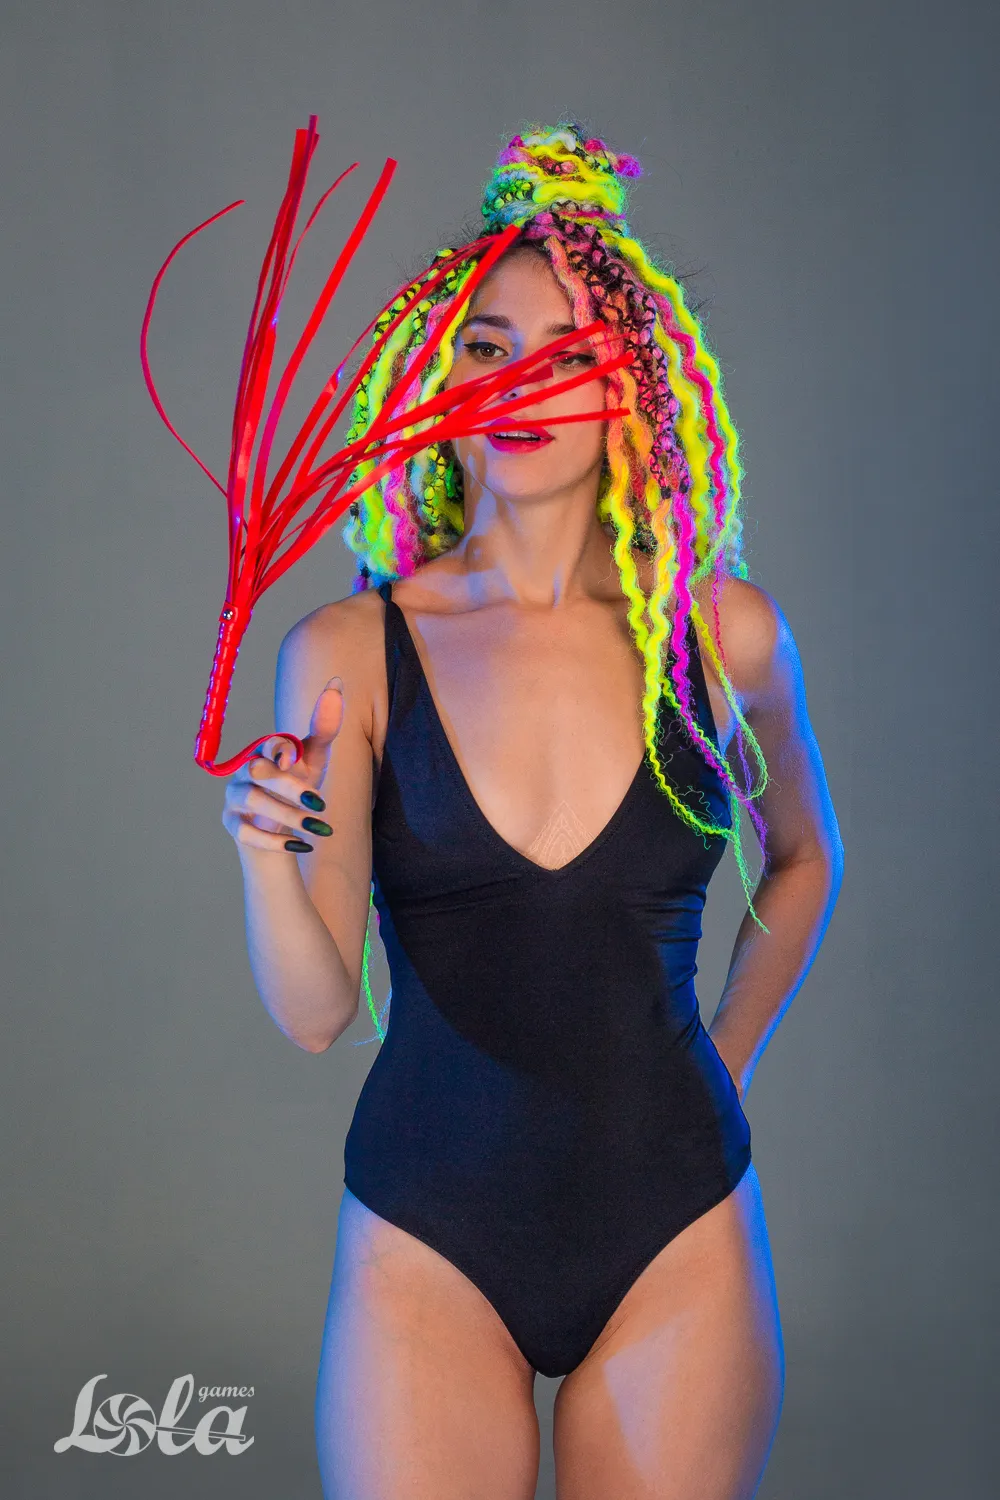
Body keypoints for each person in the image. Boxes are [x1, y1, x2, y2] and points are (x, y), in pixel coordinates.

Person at [221, 124, 844, 1500]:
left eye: (567, 352)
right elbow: (315, 1014)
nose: (517, 383)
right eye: (487, 348)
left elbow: (804, 861)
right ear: (441, 378)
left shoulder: (724, 637)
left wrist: (728, 1056)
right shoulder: (349, 651)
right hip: (427, 1233)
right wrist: (261, 857)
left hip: (677, 1222)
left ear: (636, 386)